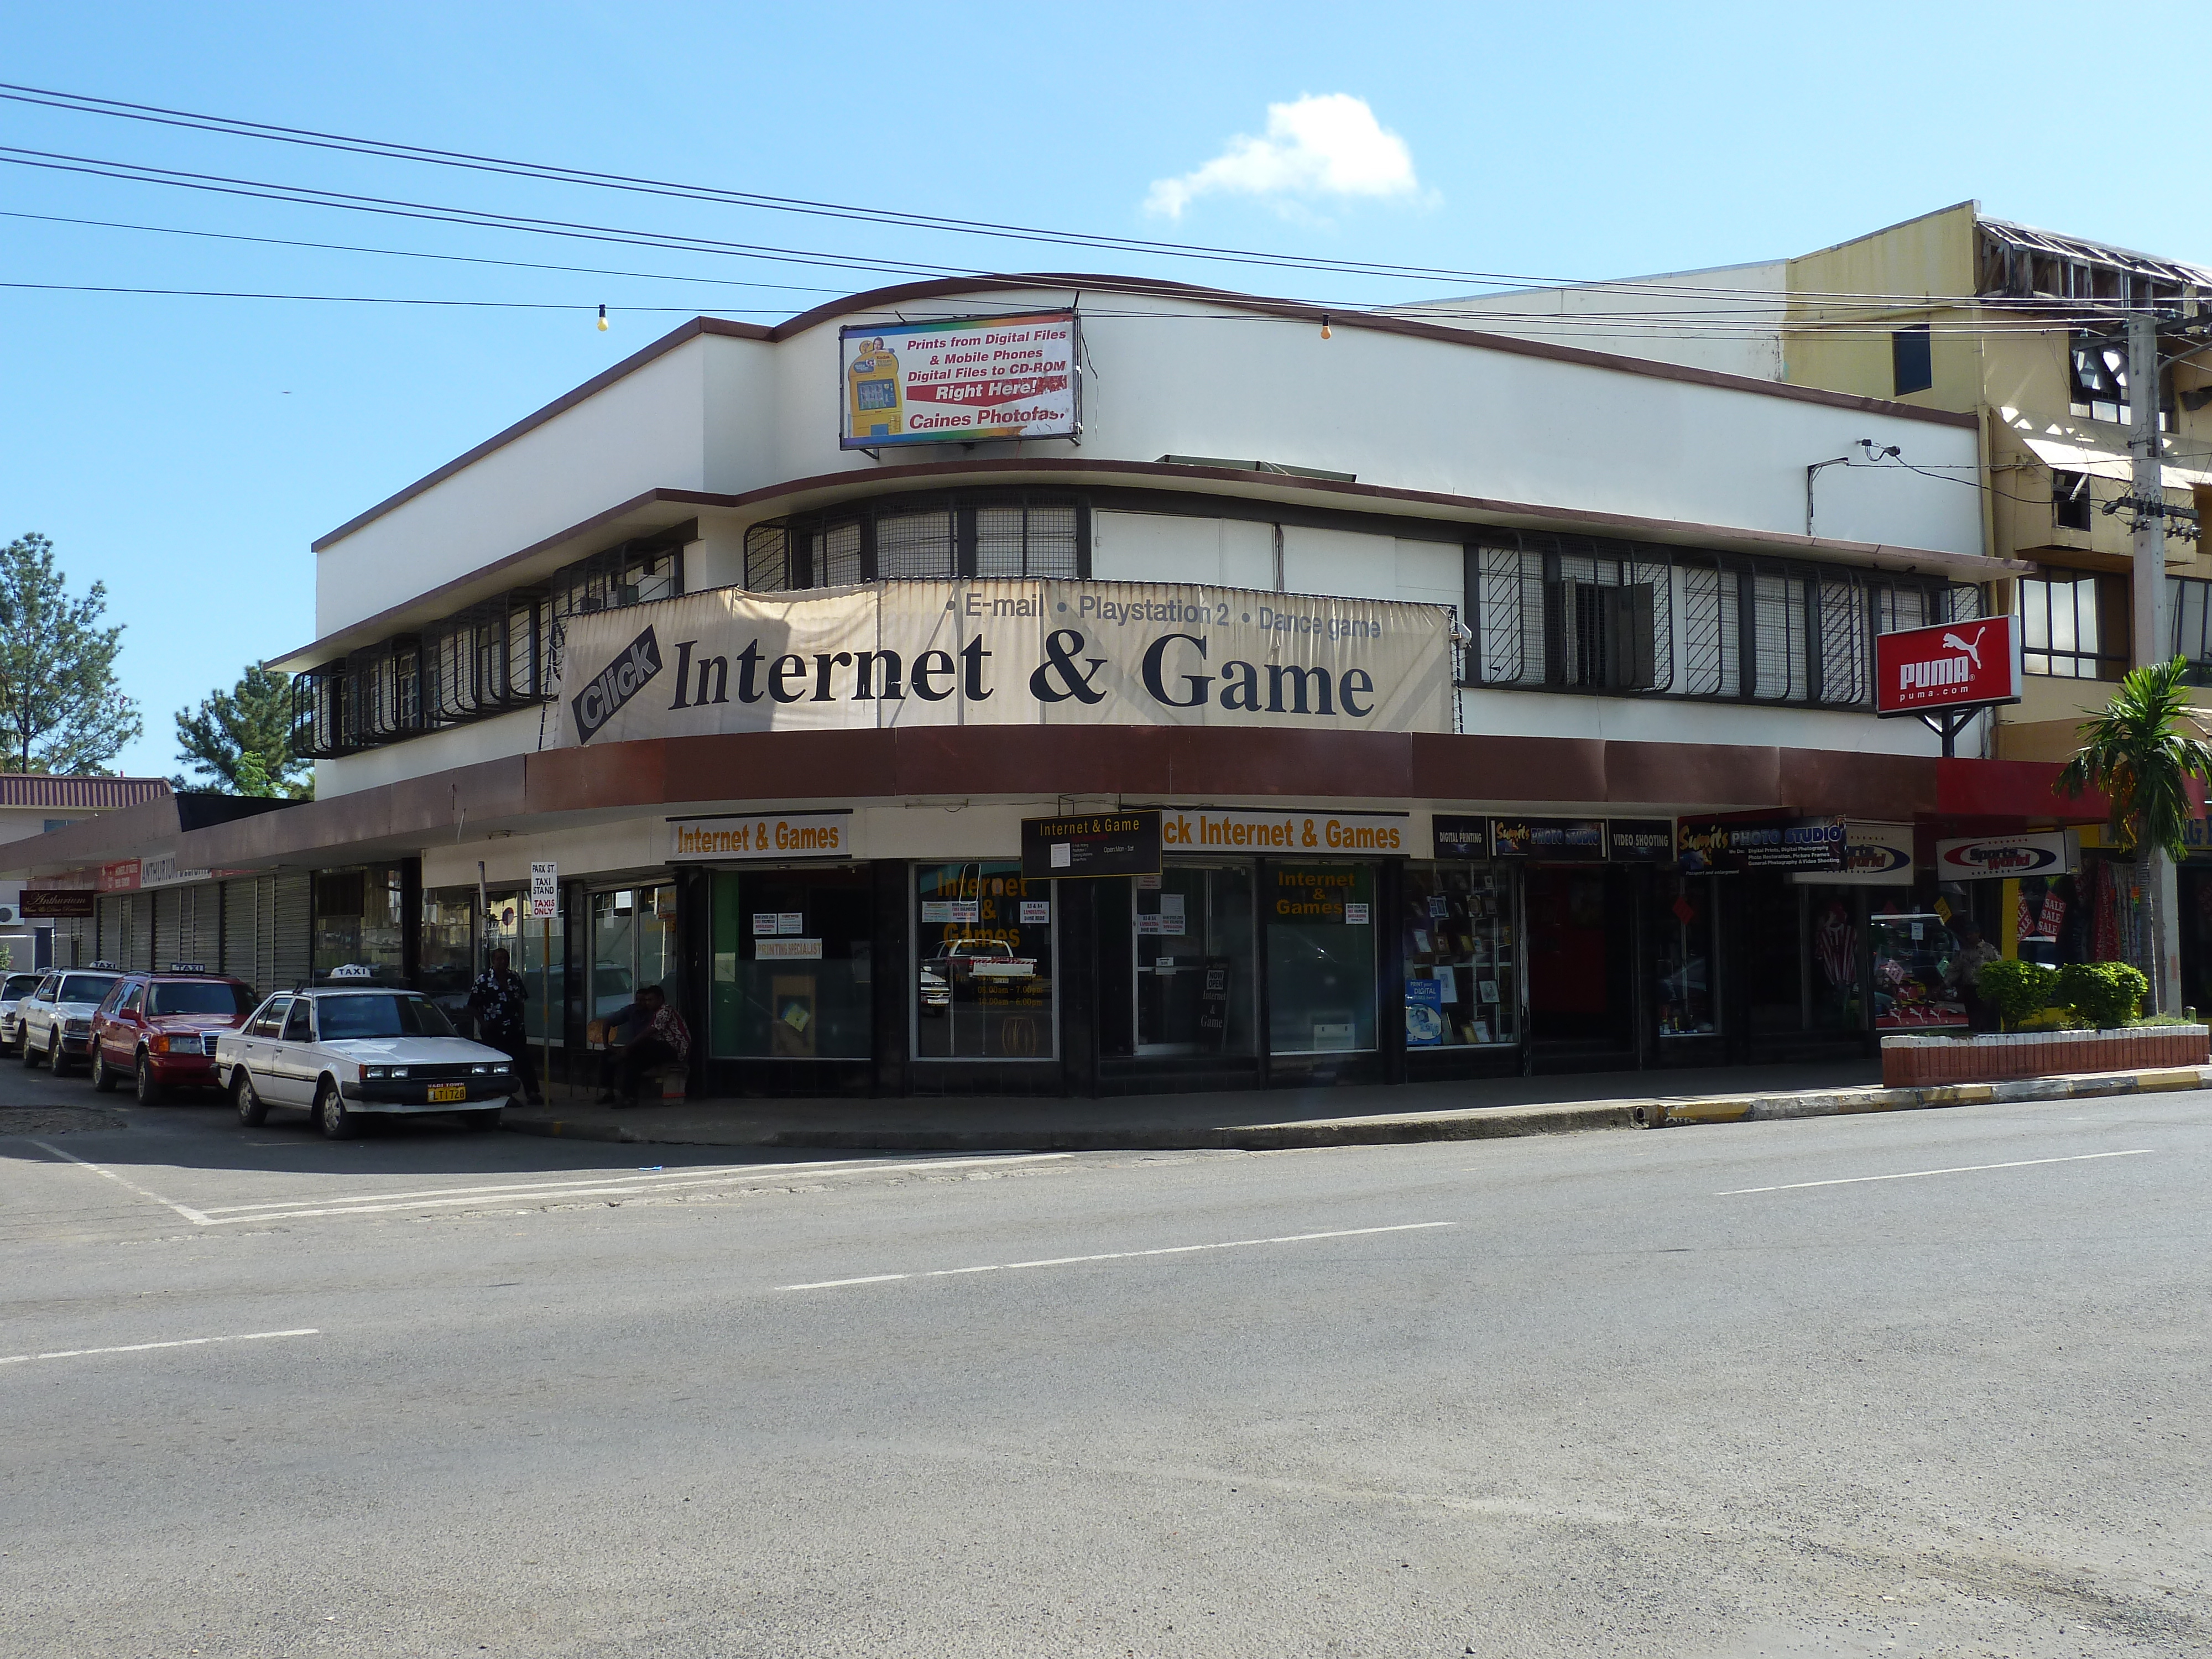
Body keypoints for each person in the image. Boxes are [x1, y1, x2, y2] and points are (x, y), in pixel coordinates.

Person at [466, 947, 544, 1106]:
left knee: (523, 1059)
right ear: (493, 961)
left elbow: (521, 1000)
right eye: (499, 959)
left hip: (514, 1027)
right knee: (501, 1063)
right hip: (493, 1029)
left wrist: (521, 1022)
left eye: (505, 959)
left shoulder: (514, 978)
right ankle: (504, 1095)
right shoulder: (484, 980)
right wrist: (484, 1023)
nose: (502, 962)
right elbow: (472, 1005)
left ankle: (532, 1092)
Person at [598, 983, 690, 1105]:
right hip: (654, 1048)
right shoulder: (639, 1011)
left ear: (660, 999)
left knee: (639, 1047)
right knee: (632, 1059)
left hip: (674, 1049)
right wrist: (612, 1046)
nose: (647, 1003)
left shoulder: (665, 1011)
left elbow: (649, 1032)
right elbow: (609, 1021)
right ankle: (624, 1095)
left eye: (650, 1000)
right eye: (645, 1000)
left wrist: (628, 1048)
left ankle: (629, 1095)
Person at [1947, 918, 2002, 1031]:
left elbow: (1999, 967)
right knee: (1973, 1017)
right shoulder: (1963, 952)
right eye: (1966, 934)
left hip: (1985, 989)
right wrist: (1944, 984)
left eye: (1971, 934)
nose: (1968, 937)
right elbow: (1955, 970)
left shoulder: (1989, 949)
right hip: (1969, 989)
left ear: (1978, 934)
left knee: (1986, 1018)